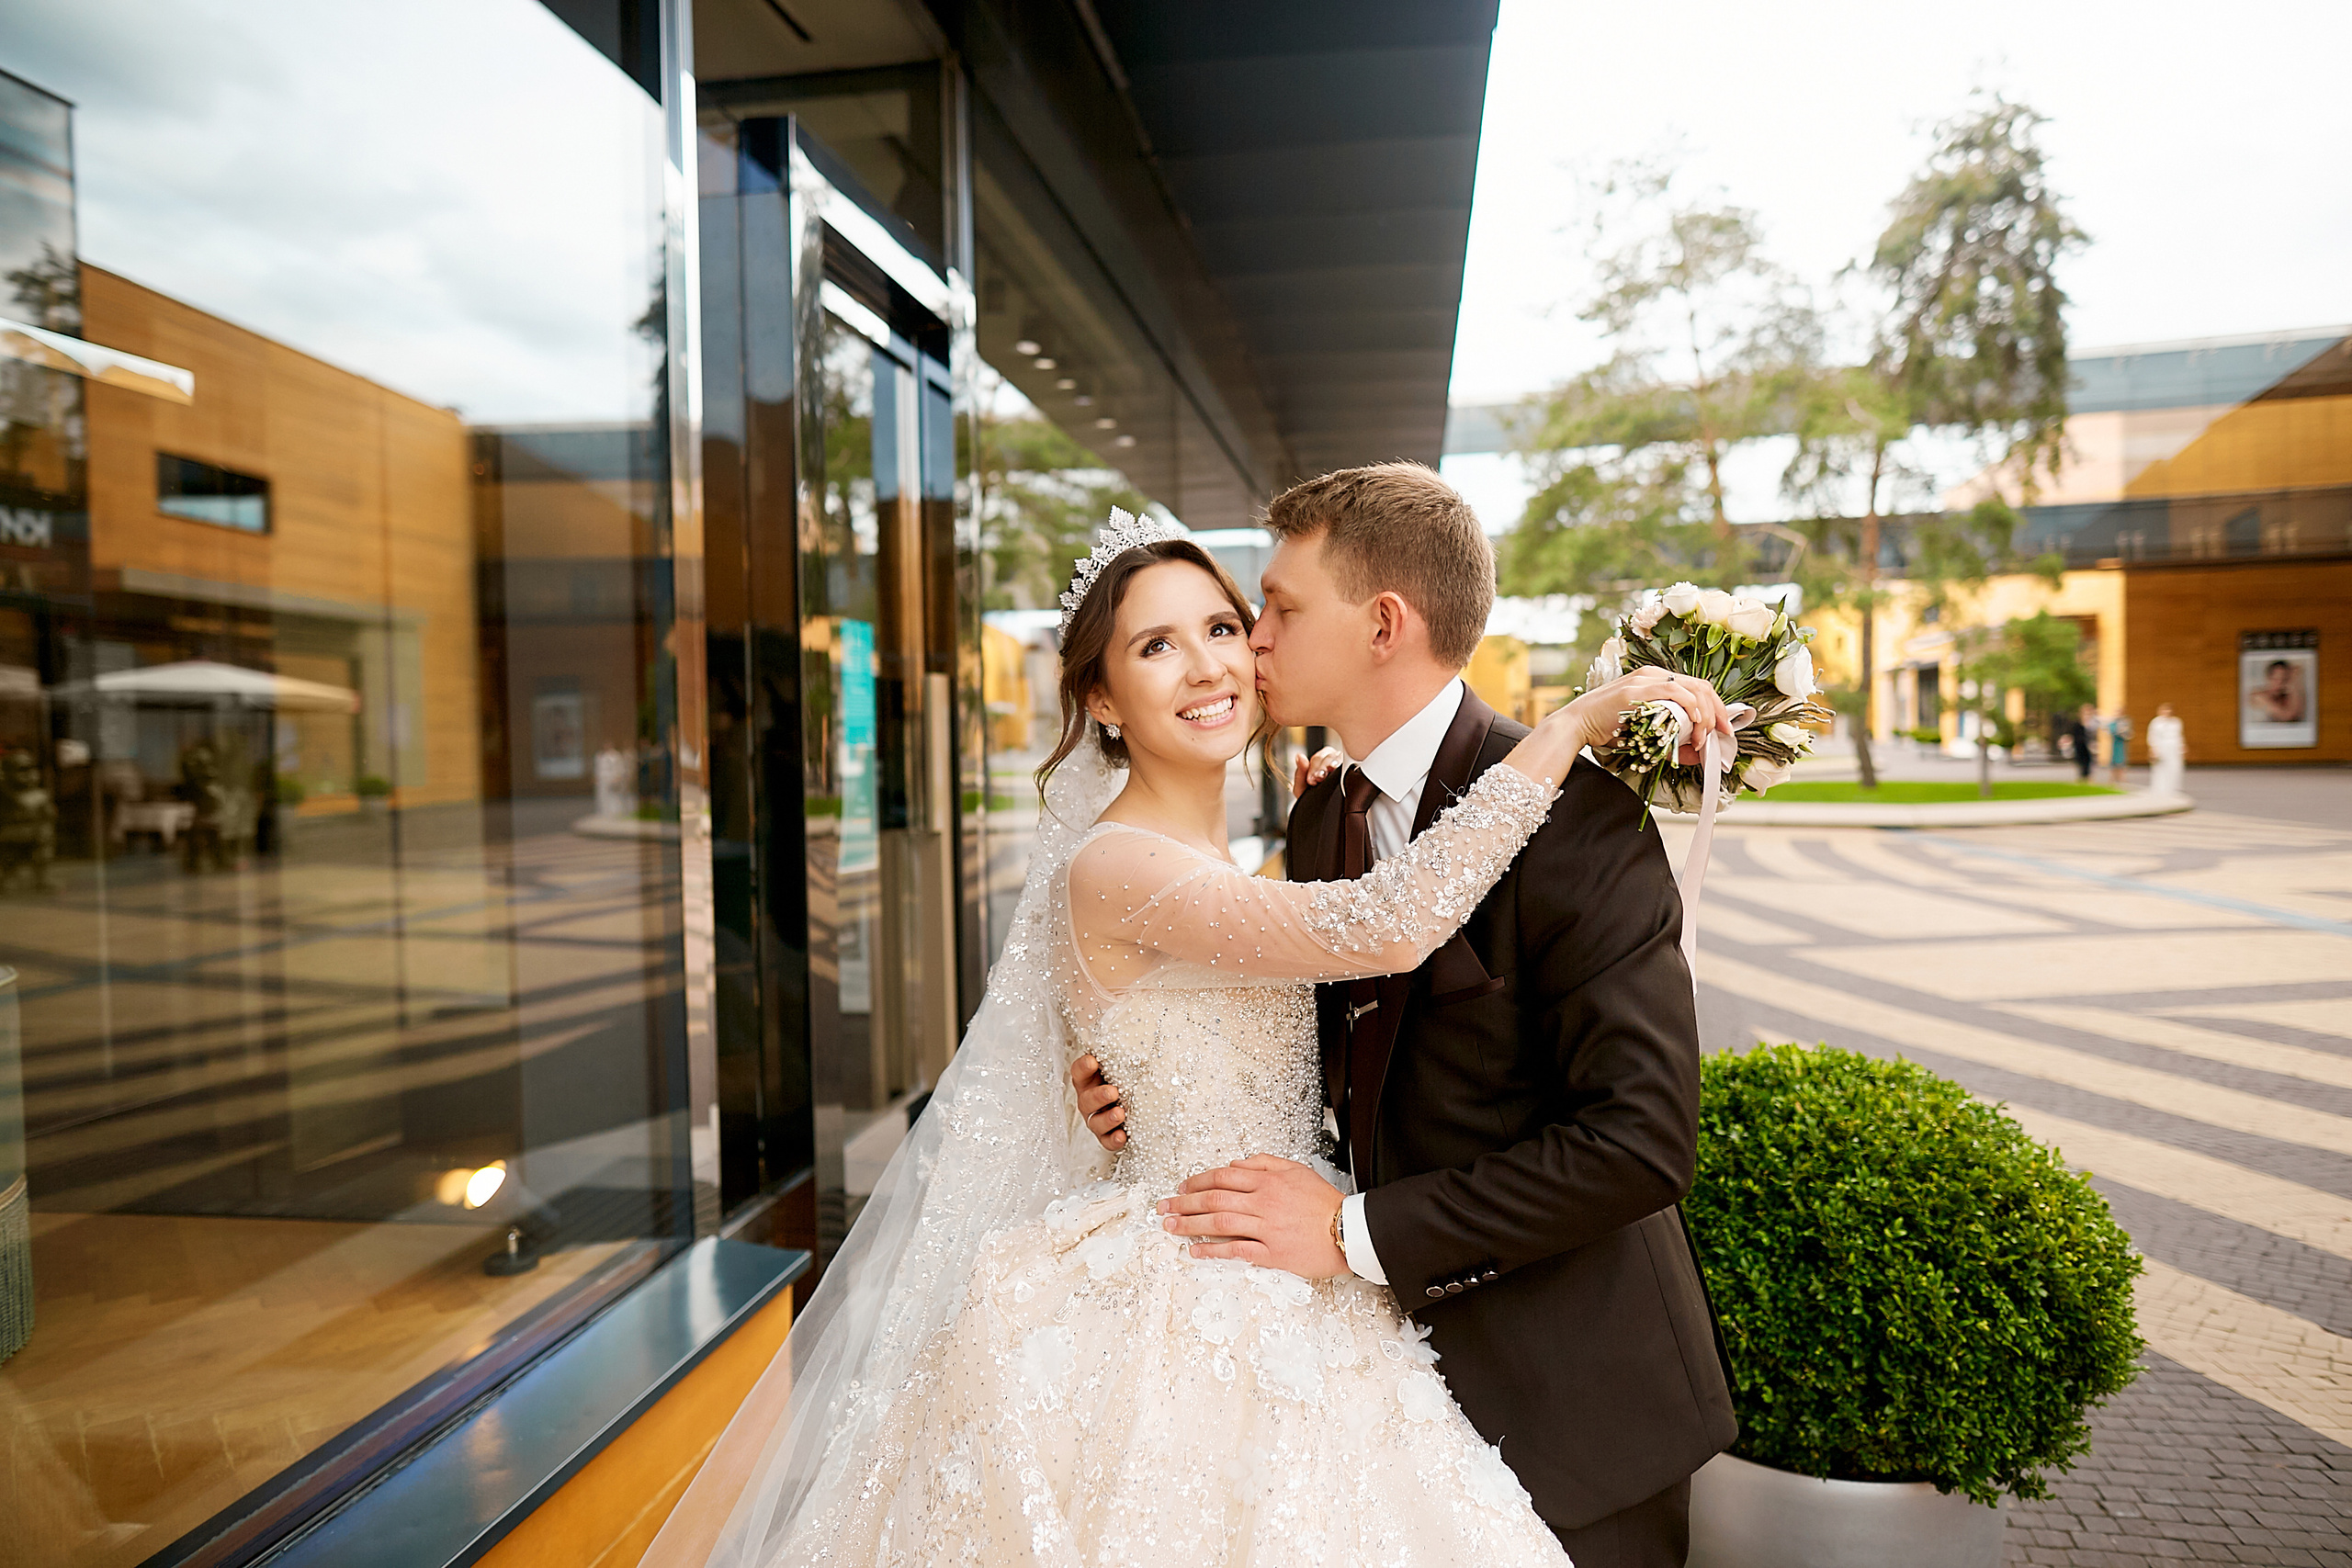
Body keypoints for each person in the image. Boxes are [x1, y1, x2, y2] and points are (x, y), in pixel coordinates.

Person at [644, 507, 1733, 1568]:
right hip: (1210, 1299)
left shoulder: (1338, 821)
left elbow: (1630, 1136)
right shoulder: (1135, 863)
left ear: (1382, 622)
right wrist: (1566, 724)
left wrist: (1134, 1064)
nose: (1234, 654)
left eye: (1241, 619)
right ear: (1102, 699)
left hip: (1530, 1364)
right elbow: (1387, 930)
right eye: (1160, 644)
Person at [1079, 464, 1739, 1566]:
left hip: (1567, 1401)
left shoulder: (1574, 822)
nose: (1252, 641)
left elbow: (1640, 1142)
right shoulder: (1323, 814)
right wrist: (1129, 1079)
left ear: (1382, 624)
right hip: (1346, 1394)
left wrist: (1350, 1235)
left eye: (1277, 610)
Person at [2147, 702, 2186, 796]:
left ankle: (2174, 787)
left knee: (2174, 766)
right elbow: (2152, 736)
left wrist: (2182, 747)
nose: (2167, 712)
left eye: (2169, 710)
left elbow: (2179, 736)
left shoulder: (2176, 722)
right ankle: (2160, 787)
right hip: (2161, 747)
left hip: (2173, 747)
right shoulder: (2156, 722)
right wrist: (2153, 748)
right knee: (2161, 767)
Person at [2068, 704, 2098, 781]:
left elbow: (2094, 737)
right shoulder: (2077, 725)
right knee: (2082, 766)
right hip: (2080, 748)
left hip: (2089, 749)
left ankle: (2087, 779)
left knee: (2088, 766)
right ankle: (2083, 779)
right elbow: (2074, 736)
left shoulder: (2092, 725)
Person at [2106, 708, 2134, 785]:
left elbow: (2129, 734)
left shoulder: (2125, 722)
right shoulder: (2112, 723)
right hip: (2114, 743)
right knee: (2113, 761)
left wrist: (2124, 733)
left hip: (2121, 744)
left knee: (2122, 761)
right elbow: (2110, 731)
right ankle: (2112, 779)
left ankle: (2122, 779)